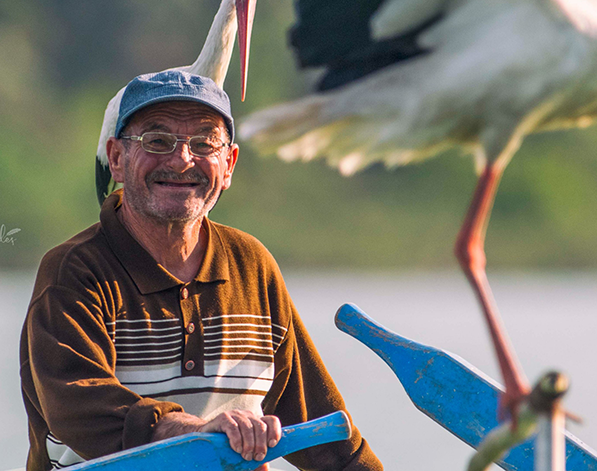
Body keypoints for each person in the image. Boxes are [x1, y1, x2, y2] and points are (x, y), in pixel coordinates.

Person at [19, 70, 382, 471]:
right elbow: (76, 404)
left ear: (228, 164)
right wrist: (192, 431)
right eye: (157, 141)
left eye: (204, 143)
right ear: (118, 159)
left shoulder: (252, 266)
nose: (181, 159)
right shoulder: (76, 271)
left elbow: (322, 431)